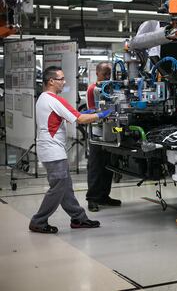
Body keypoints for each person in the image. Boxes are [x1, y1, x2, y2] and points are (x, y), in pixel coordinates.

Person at [29, 66, 112, 234]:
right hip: (53, 151)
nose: (64, 82)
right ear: (51, 81)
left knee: (65, 187)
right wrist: (103, 114)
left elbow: (68, 116)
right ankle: (38, 221)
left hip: (51, 149)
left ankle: (79, 218)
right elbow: (80, 119)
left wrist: (91, 112)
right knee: (58, 188)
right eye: (61, 79)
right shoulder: (53, 99)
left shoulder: (43, 98)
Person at [85, 62, 121, 212]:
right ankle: (92, 199)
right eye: (104, 73)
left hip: (111, 131)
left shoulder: (111, 87)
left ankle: (104, 196)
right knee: (95, 166)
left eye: (109, 74)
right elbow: (95, 110)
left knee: (108, 165)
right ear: (97, 73)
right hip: (97, 132)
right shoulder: (93, 89)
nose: (107, 76)